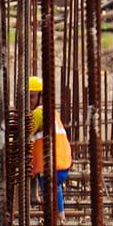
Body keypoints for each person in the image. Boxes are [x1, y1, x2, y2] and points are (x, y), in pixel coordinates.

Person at [28, 74, 71, 214]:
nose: (29, 101)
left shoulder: (38, 113)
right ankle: (60, 217)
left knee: (50, 197)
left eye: (32, 96)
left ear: (41, 96)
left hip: (50, 164)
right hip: (61, 164)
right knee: (55, 191)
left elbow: (24, 135)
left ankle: (56, 220)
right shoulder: (52, 112)